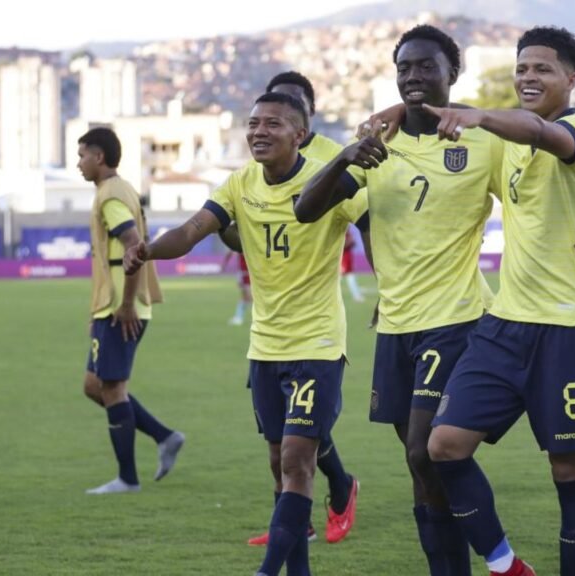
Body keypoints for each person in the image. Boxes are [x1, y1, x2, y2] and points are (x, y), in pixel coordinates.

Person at [297, 24, 575, 576]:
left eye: (427, 67)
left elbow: (556, 163)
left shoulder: (491, 140)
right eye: (405, 68)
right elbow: (306, 209)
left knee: (431, 451)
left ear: (453, 75)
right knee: (422, 465)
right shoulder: (380, 143)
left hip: (462, 317)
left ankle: (501, 563)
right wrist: (349, 154)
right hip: (396, 324)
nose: (414, 76)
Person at [124, 92, 378, 576]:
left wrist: (390, 284)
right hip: (265, 347)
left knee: (297, 460)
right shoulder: (240, 183)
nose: (259, 131)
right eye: (253, 123)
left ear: (300, 134)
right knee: (281, 466)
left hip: (318, 344)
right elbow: (192, 230)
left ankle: (266, 571)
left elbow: (374, 228)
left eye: (273, 124)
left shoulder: (330, 183)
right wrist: (148, 250)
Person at [415, 26, 575, 576]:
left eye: (542, 69)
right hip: (504, 326)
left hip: (570, 328)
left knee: (569, 472)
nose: (529, 77)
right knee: (443, 445)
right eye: (522, 68)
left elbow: (540, 131)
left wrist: (479, 114)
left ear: (572, 78)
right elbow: (491, 126)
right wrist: (392, 114)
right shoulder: (506, 143)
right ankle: (506, 567)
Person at [239, 71, 362, 547]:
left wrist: (389, 286)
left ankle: (329, 496)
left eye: (287, 110)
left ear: (306, 118)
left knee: (299, 438)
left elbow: (366, 217)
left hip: (315, 328)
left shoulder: (332, 157)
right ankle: (299, 522)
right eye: (262, 116)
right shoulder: (258, 167)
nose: (267, 125)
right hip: (269, 330)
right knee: (284, 442)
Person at [78, 127, 184, 495]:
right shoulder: (119, 189)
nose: (79, 163)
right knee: (95, 386)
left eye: (82, 156)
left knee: (112, 387)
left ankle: (127, 479)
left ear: (99, 157)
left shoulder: (110, 196)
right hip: (110, 306)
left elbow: (134, 245)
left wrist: (125, 305)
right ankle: (165, 436)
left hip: (122, 309)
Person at [222, 250, 253, 325]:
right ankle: (239, 317)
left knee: (249, 296)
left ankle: (242, 317)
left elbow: (229, 252)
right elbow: (230, 252)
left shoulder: (245, 244)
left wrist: (224, 263)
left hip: (248, 272)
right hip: (245, 272)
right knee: (245, 296)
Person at [341, 228, 365, 303]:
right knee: (347, 278)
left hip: (347, 259)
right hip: (342, 260)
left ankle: (357, 296)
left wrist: (350, 241)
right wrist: (349, 242)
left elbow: (353, 243)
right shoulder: (341, 234)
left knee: (350, 278)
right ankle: (357, 296)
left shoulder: (347, 233)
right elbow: (344, 245)